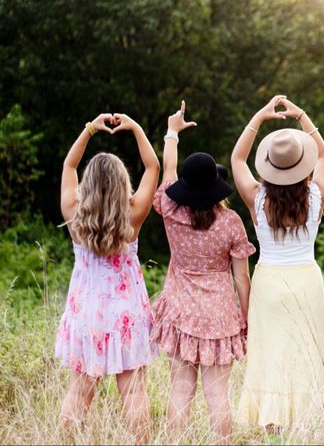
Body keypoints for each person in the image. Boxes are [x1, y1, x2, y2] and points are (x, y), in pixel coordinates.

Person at [151, 102, 255, 440]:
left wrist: (172, 133)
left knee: (179, 392)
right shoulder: (231, 223)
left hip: (180, 311)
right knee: (218, 398)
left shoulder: (170, 209)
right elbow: (242, 277)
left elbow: (168, 172)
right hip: (219, 317)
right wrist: (247, 317)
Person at [56, 112, 160, 443]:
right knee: (133, 392)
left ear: (88, 183)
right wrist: (136, 129)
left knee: (79, 392)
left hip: (87, 312)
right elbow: (153, 167)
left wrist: (88, 129)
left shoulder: (74, 212)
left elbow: (69, 167)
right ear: (122, 182)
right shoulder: (133, 213)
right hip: (126, 312)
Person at [232, 95, 324, 431]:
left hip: (269, 281)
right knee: (304, 353)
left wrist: (259, 116)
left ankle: (271, 422)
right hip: (306, 280)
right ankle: (305, 422)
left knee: (270, 351)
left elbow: (238, 157)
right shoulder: (316, 196)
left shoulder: (257, 198)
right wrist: (303, 116)